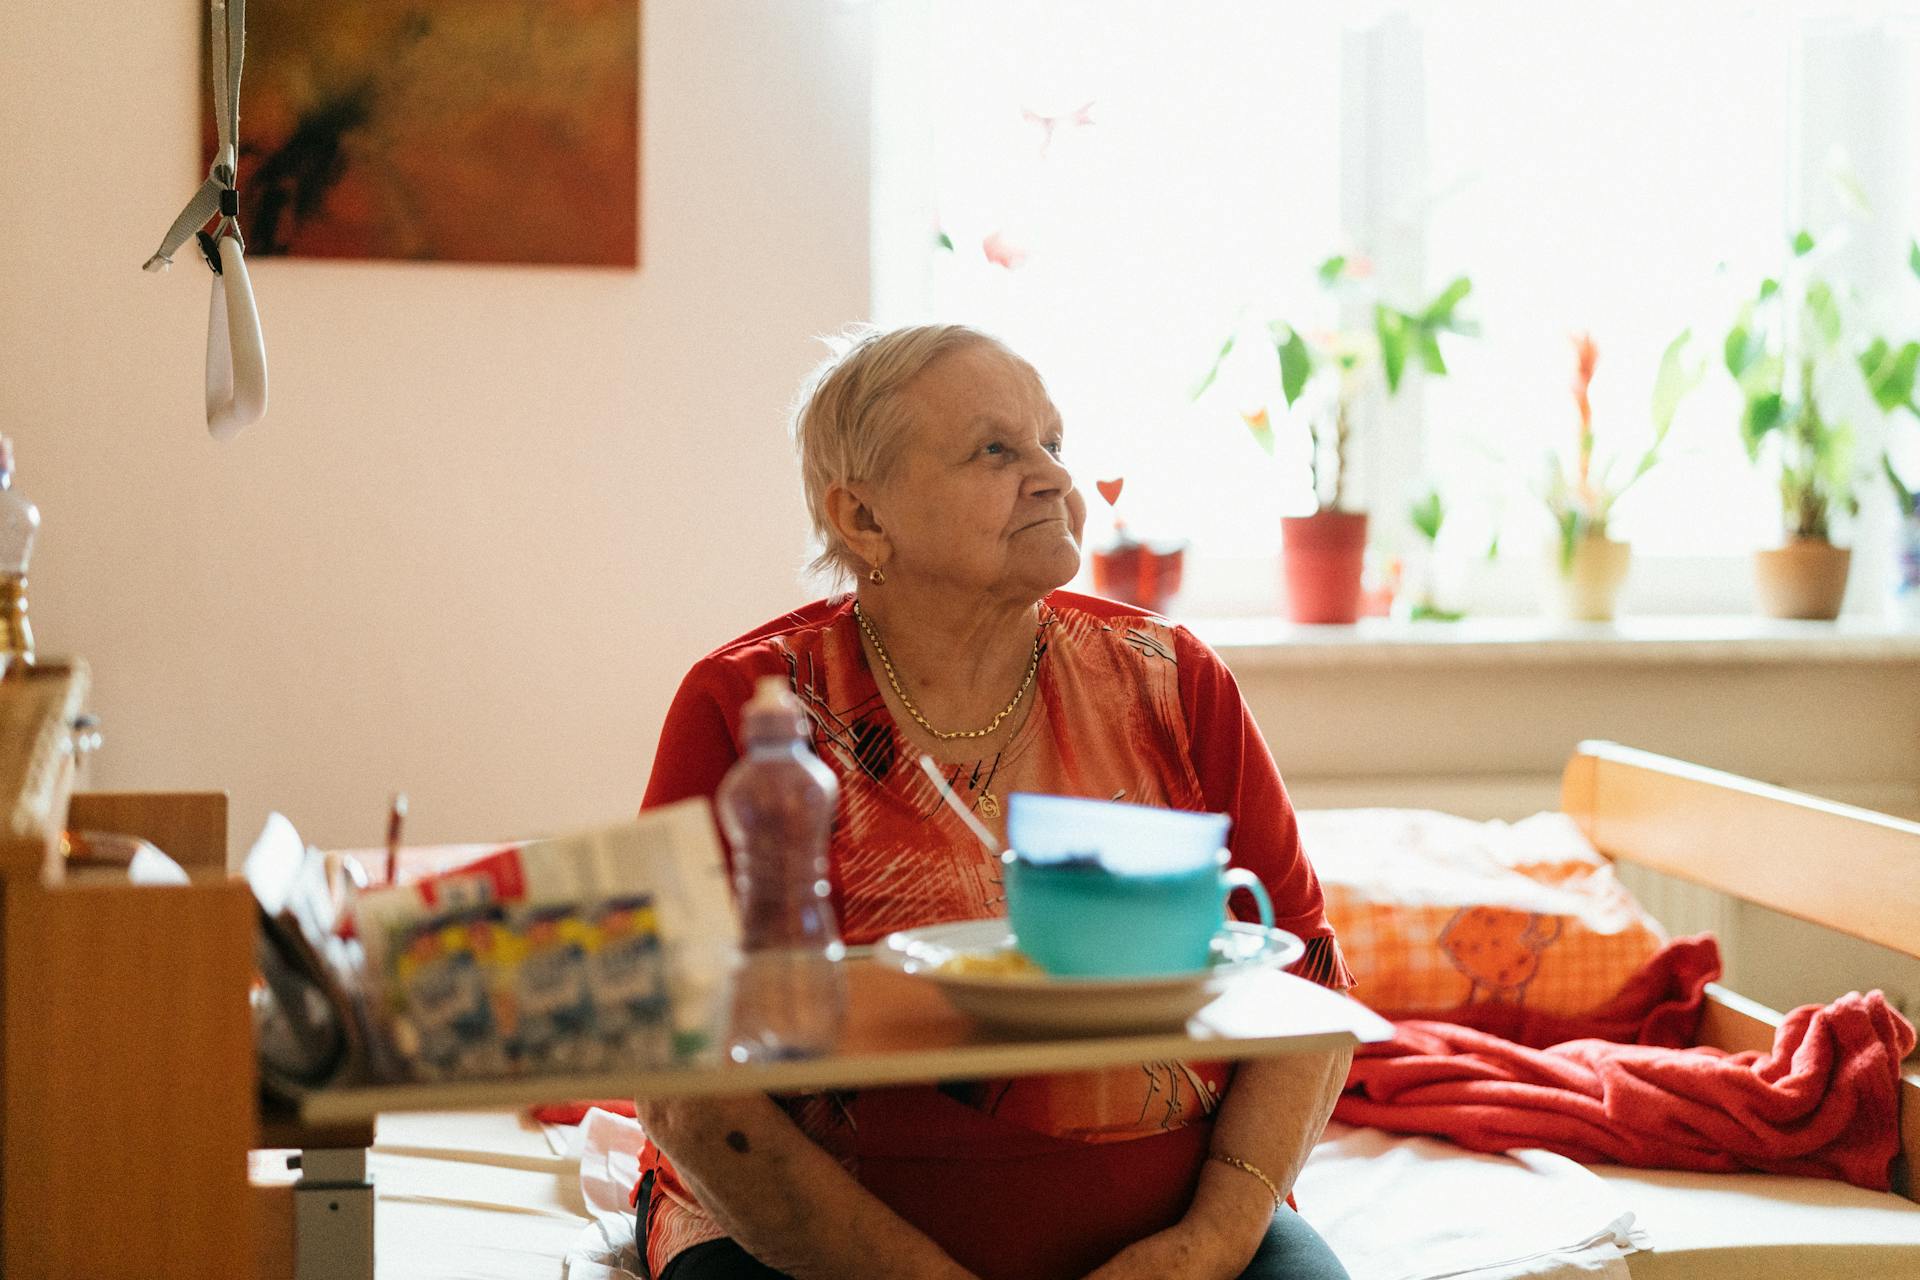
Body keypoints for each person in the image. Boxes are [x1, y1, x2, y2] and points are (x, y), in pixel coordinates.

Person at [634, 324, 1355, 1280]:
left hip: (1180, 1224)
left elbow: (1302, 980)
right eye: (995, 451)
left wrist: (1207, 1245)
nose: (1054, 477)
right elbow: (672, 1069)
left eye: (1053, 444)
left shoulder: (1174, 683)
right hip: (804, 1237)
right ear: (864, 518)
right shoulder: (749, 710)